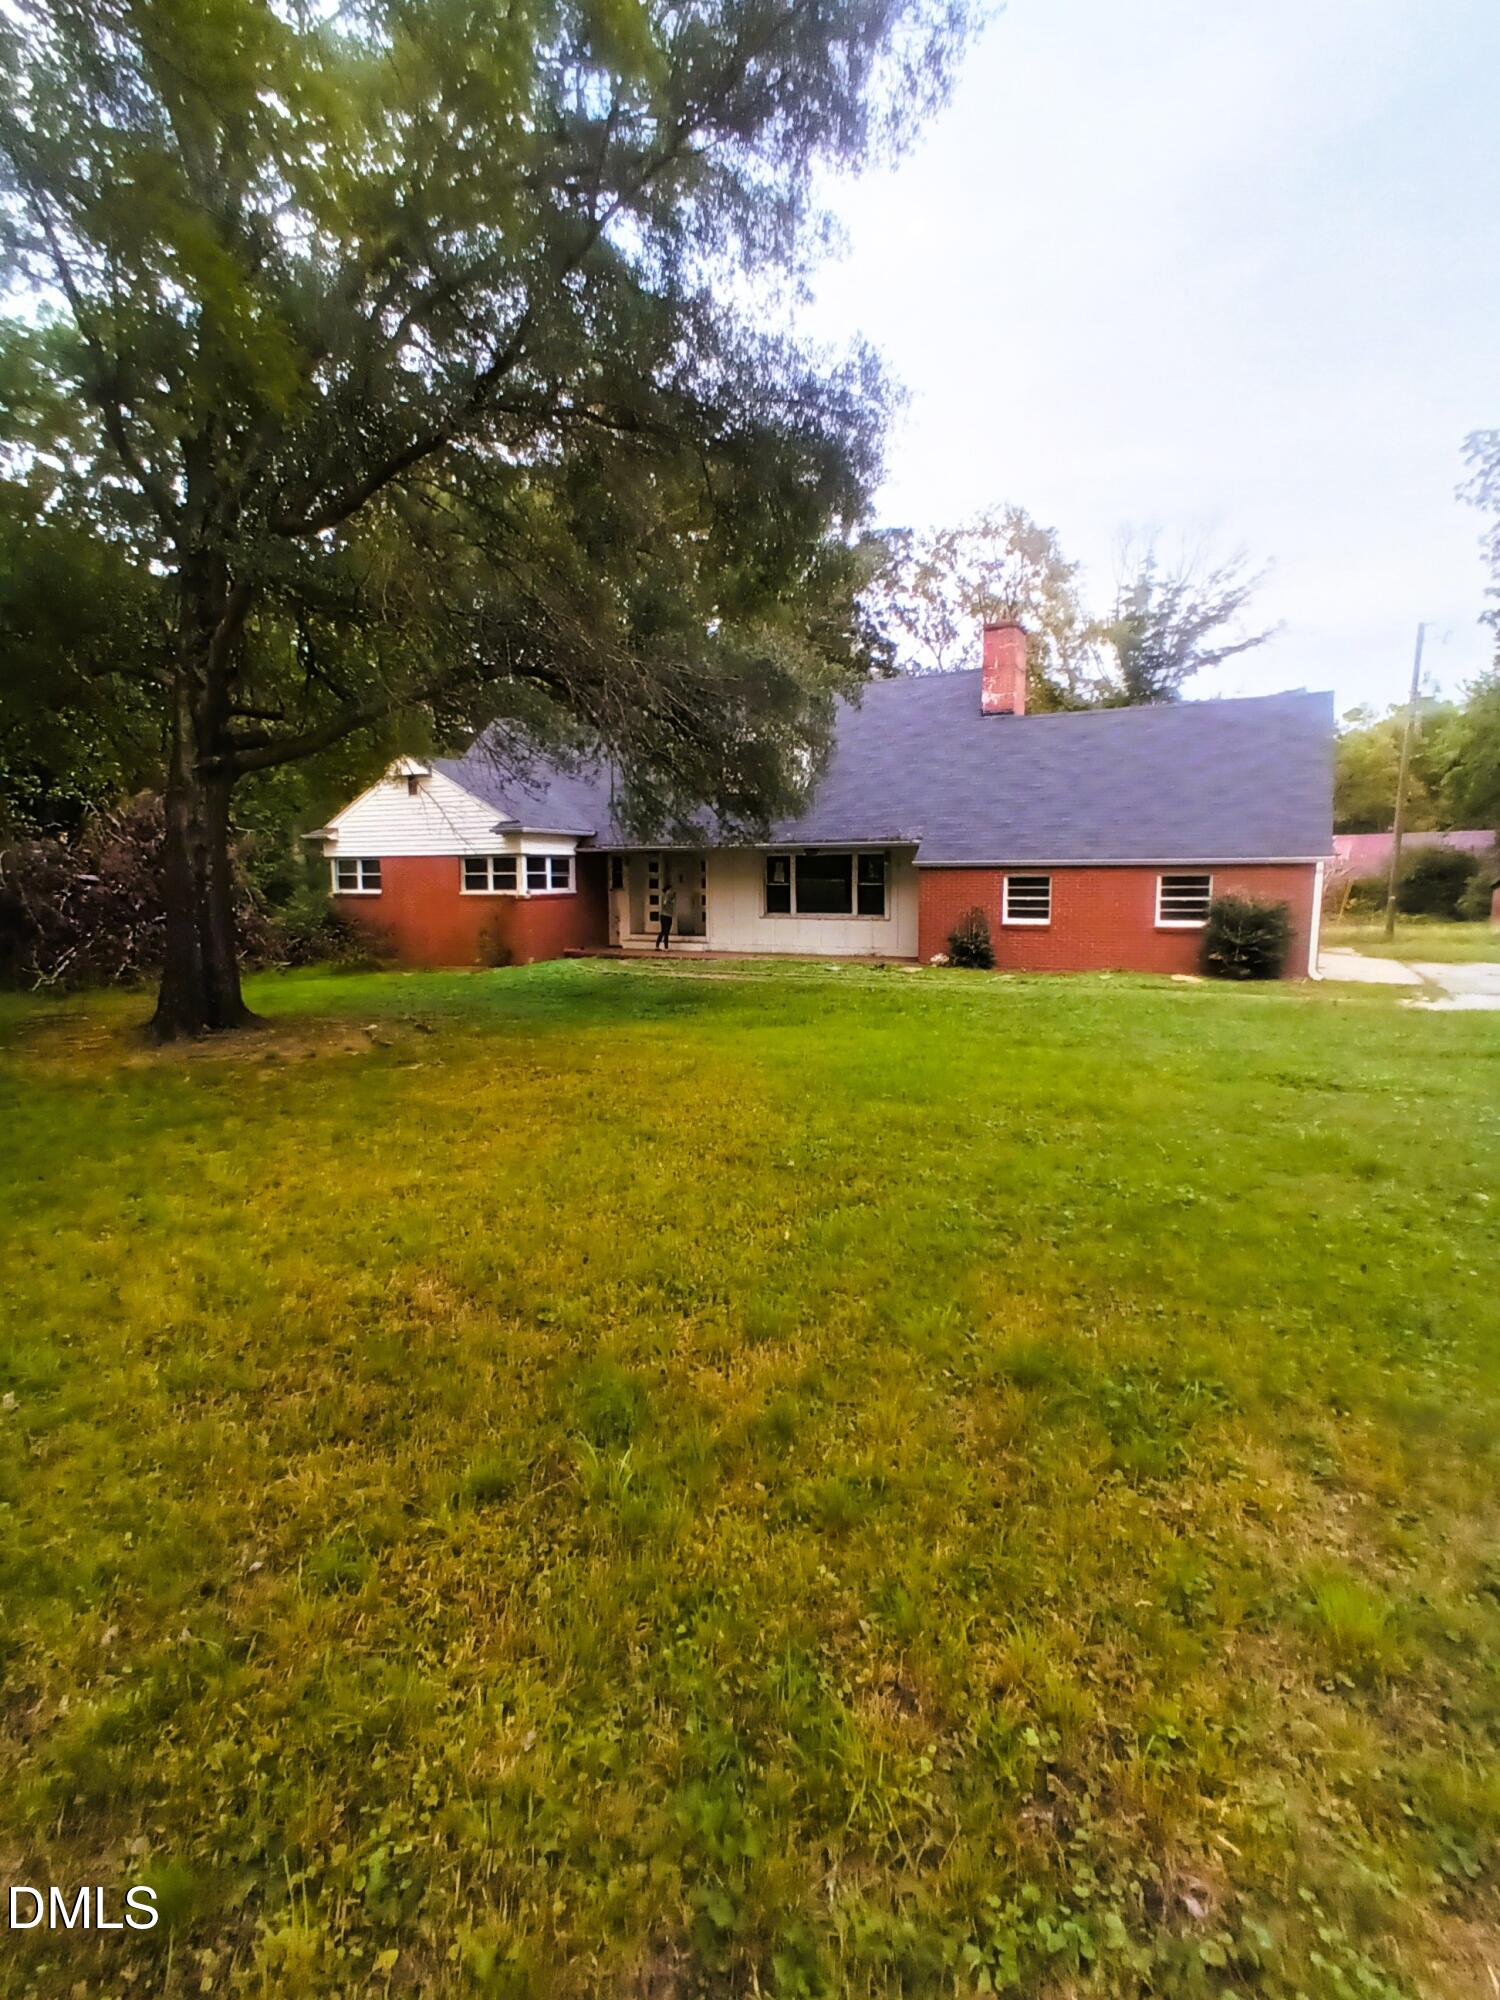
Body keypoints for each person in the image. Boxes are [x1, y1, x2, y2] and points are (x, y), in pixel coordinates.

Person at [656, 880, 677, 950]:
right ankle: (664, 946)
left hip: (668, 915)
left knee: (665, 931)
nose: (671, 891)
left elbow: (673, 902)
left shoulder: (670, 897)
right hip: (665, 915)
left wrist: (673, 898)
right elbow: (664, 904)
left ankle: (659, 945)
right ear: (667, 890)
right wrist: (668, 899)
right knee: (665, 931)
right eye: (670, 890)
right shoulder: (665, 896)